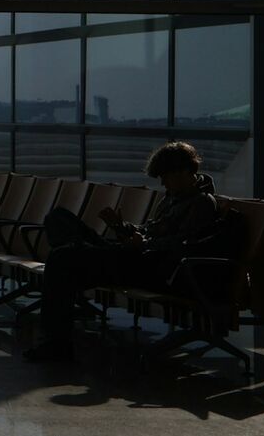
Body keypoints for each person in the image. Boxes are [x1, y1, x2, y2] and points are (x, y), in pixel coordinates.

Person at [23, 141, 243, 362]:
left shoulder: (202, 204)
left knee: (61, 258)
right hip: (133, 256)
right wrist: (123, 227)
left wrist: (143, 244)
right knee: (58, 217)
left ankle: (57, 344)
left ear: (185, 171)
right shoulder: (171, 198)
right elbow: (150, 229)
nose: (164, 183)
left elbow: (182, 246)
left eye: (166, 177)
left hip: (150, 267)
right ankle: (76, 251)